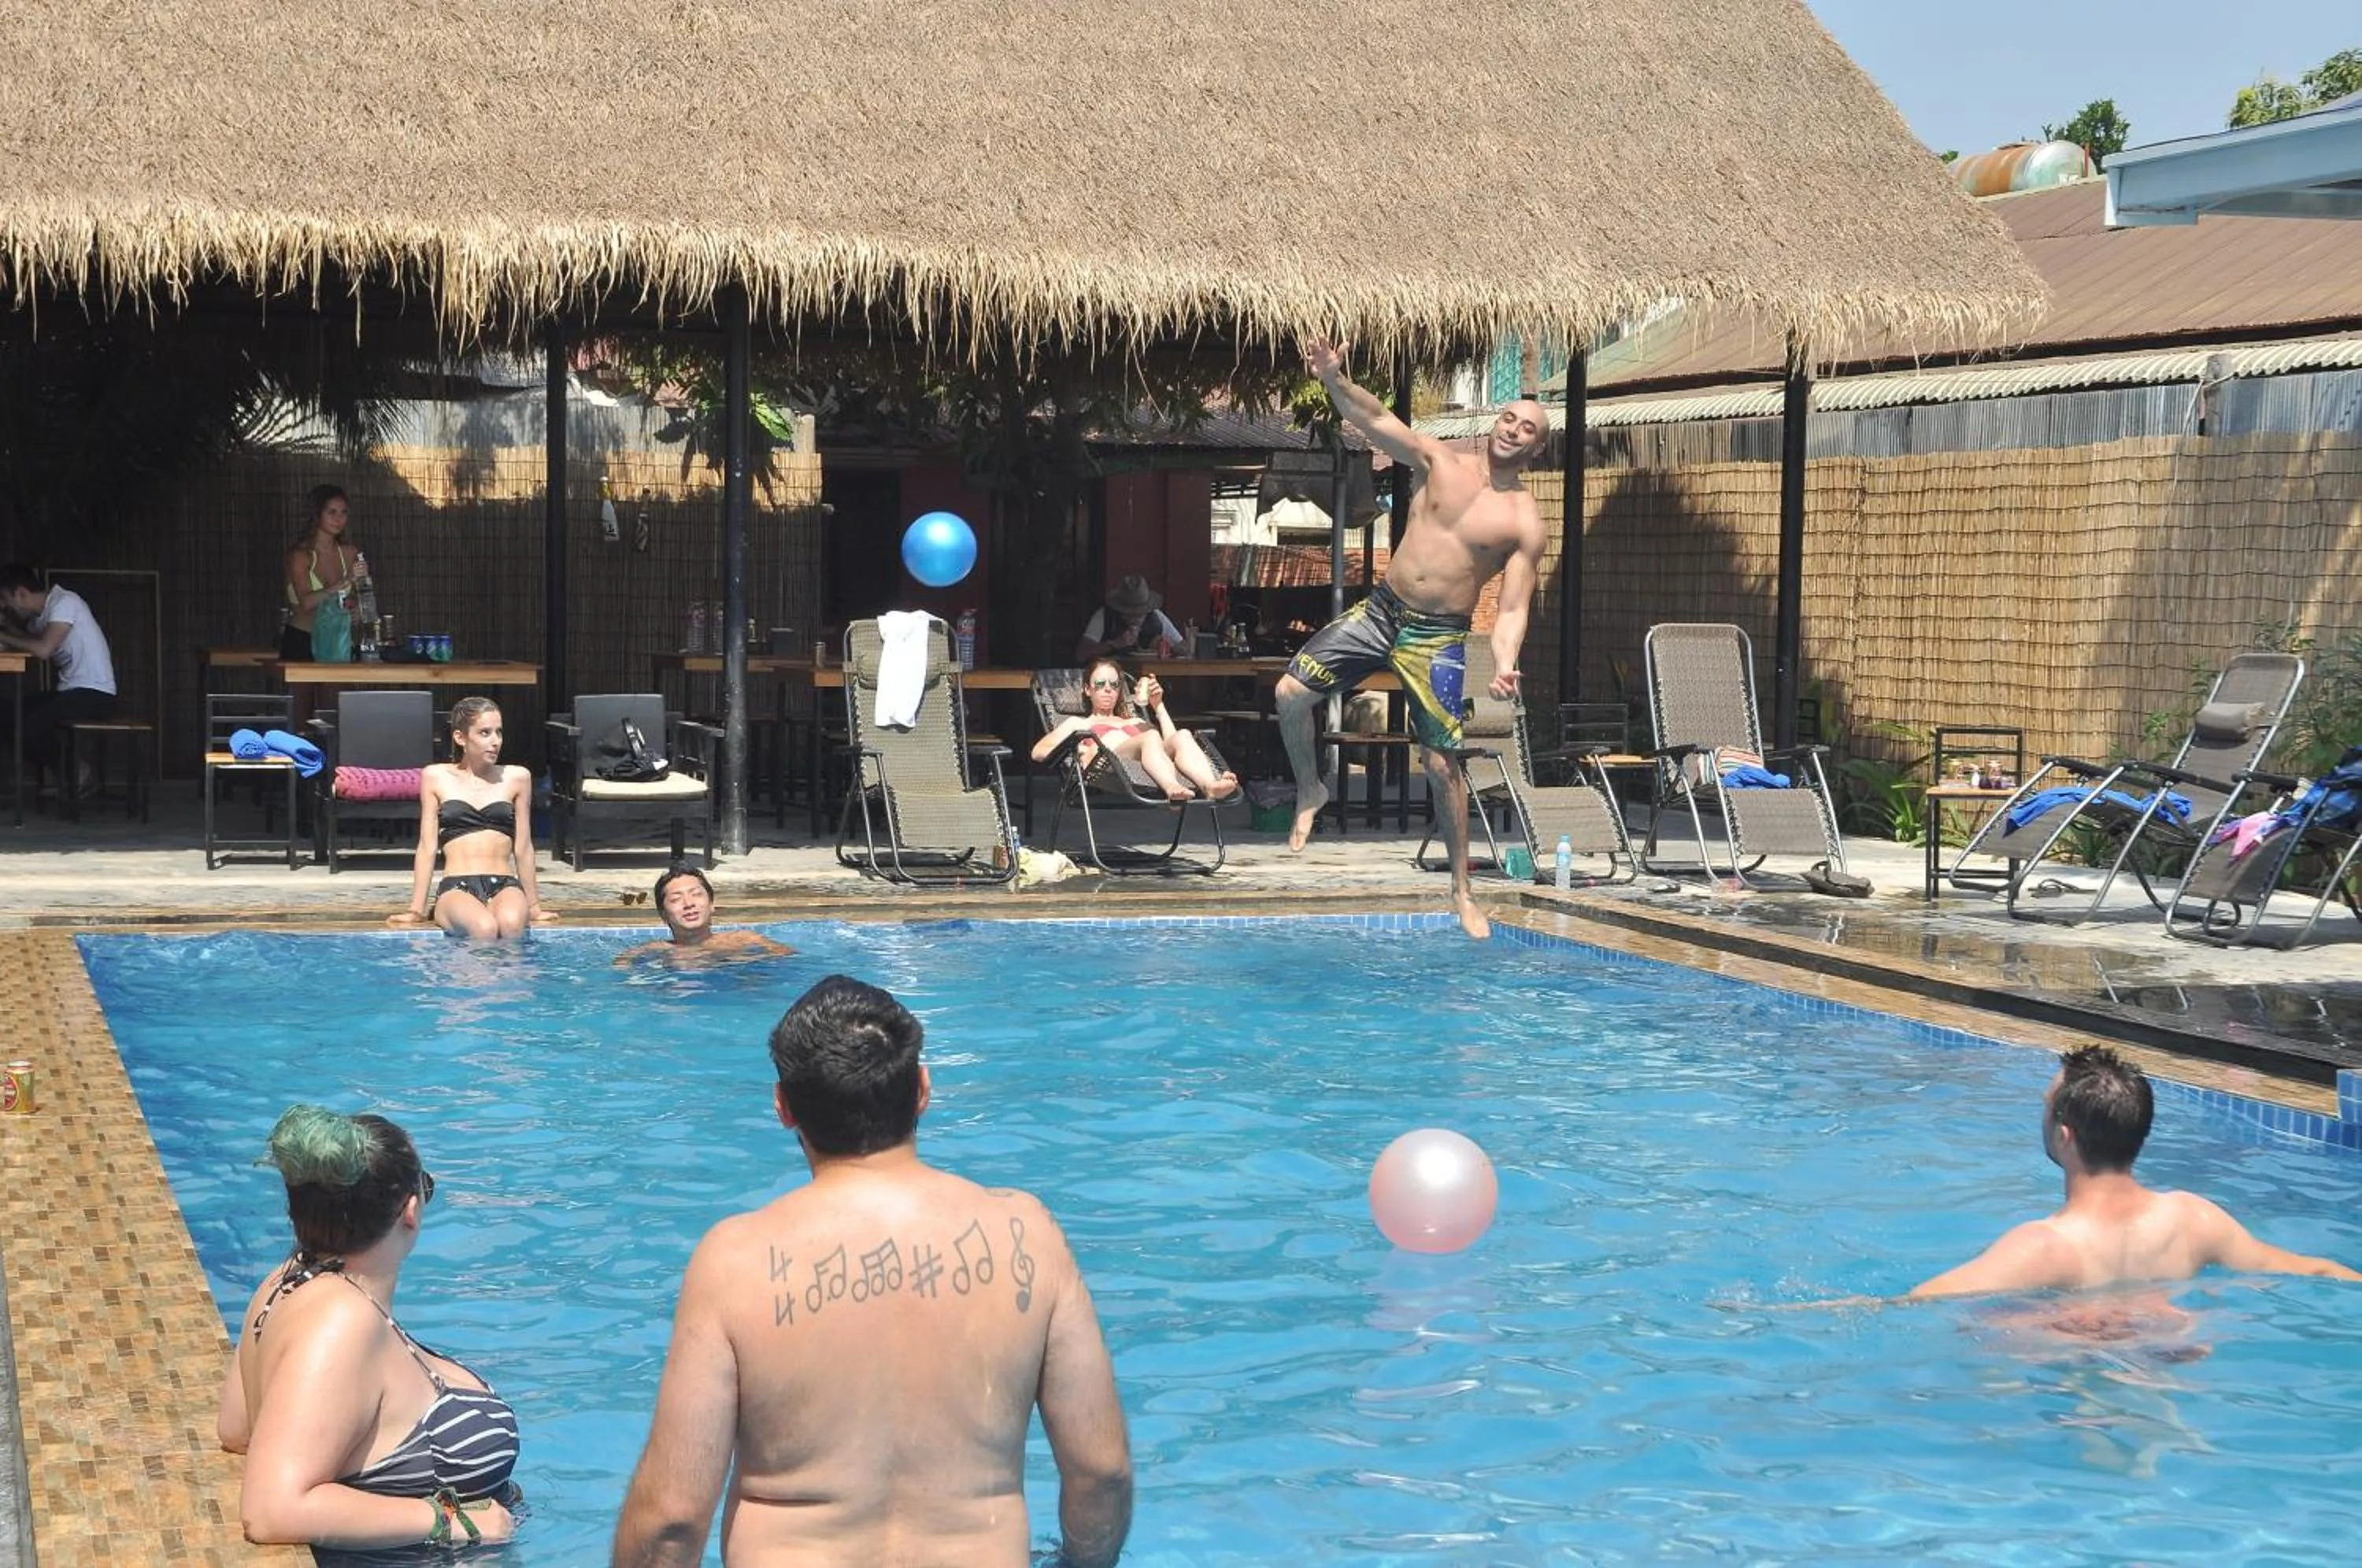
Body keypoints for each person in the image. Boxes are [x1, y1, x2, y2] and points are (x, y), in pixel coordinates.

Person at [612, 975, 1131, 1568]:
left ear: (783, 1108)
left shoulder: (735, 1260)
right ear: (923, 1090)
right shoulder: (1027, 1237)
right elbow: (1101, 1470)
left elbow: (673, 1521)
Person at [1275, 342, 1549, 941]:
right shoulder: (1442, 462)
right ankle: (1311, 787)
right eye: (1508, 418)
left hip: (1438, 638)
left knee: (1439, 763)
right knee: (1291, 693)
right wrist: (1332, 378)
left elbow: (1512, 607)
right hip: (1380, 613)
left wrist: (1505, 661)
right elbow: (1376, 420)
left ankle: (1461, 888)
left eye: (1527, 428)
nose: (1513, 430)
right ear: (1495, 423)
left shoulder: (1524, 522)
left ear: (1537, 447)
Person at [218, 1104, 520, 1552]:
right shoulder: (343, 1322)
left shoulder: (286, 1282)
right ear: (410, 1211)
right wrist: (451, 1521)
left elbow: (237, 1429)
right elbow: (270, 1510)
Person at [1912, 1045, 2362, 1298]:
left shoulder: (2044, 1248)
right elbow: (2317, 1271)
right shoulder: (2193, 1219)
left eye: (2046, 1109)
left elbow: (1915, 1305)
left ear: (2065, 1136)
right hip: (2170, 1372)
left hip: (2078, 1398)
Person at [388, 696, 556, 941]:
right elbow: (427, 846)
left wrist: (534, 907)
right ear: (460, 738)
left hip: (505, 885)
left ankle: (515, 979)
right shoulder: (435, 776)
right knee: (483, 928)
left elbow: (523, 847)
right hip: (457, 887)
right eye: (485, 733)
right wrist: (416, 909)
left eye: (499, 733)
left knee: (510, 926)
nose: (495, 742)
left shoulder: (517, 777)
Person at [1031, 658, 1238, 802]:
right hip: (1110, 769)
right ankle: (1171, 789)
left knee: (1183, 735)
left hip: (1147, 769)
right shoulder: (1079, 723)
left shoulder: (1135, 721)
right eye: (1100, 684)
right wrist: (1076, 749)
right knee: (1150, 737)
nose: (1108, 689)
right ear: (1088, 689)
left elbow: (1173, 742)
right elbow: (1038, 752)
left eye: (1114, 684)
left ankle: (1210, 786)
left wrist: (1158, 706)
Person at [0, 562, 118, 796]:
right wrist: (6, 630)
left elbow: (43, 649)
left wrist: (4, 636)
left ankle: (76, 770)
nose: (5, 606)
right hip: (71, 692)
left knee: (27, 724)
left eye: (5, 599)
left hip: (94, 694)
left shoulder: (65, 603)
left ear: (21, 594)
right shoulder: (41, 618)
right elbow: (27, 641)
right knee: (6, 715)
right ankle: (67, 770)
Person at [613, 864, 796, 966]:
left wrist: (748, 963)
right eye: (676, 899)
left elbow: (790, 959)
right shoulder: (654, 951)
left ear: (712, 905)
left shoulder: (745, 940)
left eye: (696, 894)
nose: (688, 904)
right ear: (664, 915)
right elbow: (620, 968)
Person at [283, 485, 365, 662]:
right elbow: (306, 602)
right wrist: (344, 581)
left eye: (344, 513)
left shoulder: (350, 554)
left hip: (337, 640)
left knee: (335, 690)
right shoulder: (301, 555)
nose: (339, 519)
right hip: (302, 638)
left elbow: (362, 600)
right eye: (332, 512)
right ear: (317, 514)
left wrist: (358, 610)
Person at [1074, 575, 1184, 664]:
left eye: (1141, 613)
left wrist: (1166, 644)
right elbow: (1081, 654)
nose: (1136, 618)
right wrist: (1115, 644)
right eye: (1130, 613)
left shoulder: (1156, 617)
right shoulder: (1104, 615)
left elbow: (1184, 648)